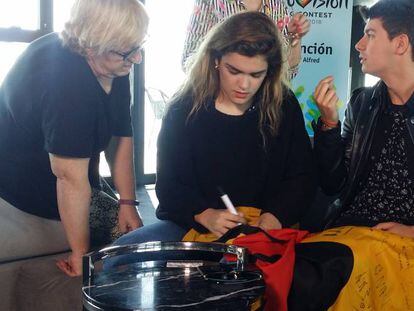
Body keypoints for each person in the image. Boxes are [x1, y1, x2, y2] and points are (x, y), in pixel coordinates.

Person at [110, 11, 315, 255]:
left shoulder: (283, 103)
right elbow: (169, 186)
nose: (244, 85)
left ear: (269, 71)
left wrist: (275, 216)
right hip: (194, 228)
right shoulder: (185, 107)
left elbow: (302, 177)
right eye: (234, 71)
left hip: (264, 231)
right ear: (216, 60)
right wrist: (204, 214)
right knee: (117, 258)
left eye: (255, 75)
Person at [0, 0, 149, 276]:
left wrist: (128, 202)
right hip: (25, 183)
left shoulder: (114, 63)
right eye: (128, 52)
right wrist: (80, 253)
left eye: (139, 46)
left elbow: (121, 136)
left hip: (75, 173)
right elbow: (69, 178)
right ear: (92, 46)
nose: (137, 58)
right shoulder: (66, 85)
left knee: (133, 233)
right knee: (124, 249)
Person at [313, 0, 414, 236]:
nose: (358, 45)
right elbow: (332, 185)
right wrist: (329, 124)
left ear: (400, 44)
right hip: (352, 232)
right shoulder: (361, 103)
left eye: (369, 35)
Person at [182, 0, 310, 79]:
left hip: (263, 107)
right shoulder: (211, 2)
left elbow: (288, 73)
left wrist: (295, 36)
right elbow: (189, 63)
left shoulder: (277, 4)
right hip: (216, 103)